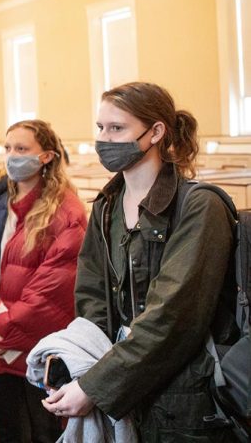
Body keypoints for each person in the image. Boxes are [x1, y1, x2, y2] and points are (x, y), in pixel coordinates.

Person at [43, 82, 237, 441]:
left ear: (156, 132)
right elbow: (92, 298)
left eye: (117, 128)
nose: (104, 139)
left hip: (185, 398)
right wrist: (83, 364)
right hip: (125, 388)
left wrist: (96, 386)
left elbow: (174, 317)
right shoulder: (106, 206)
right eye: (101, 128)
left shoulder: (198, 206)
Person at [0, 119, 86, 443]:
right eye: (8, 148)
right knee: (7, 426)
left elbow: (51, 288)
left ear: (47, 156)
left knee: (44, 429)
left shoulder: (67, 211)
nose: (12, 156)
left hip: (39, 343)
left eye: (22, 149)